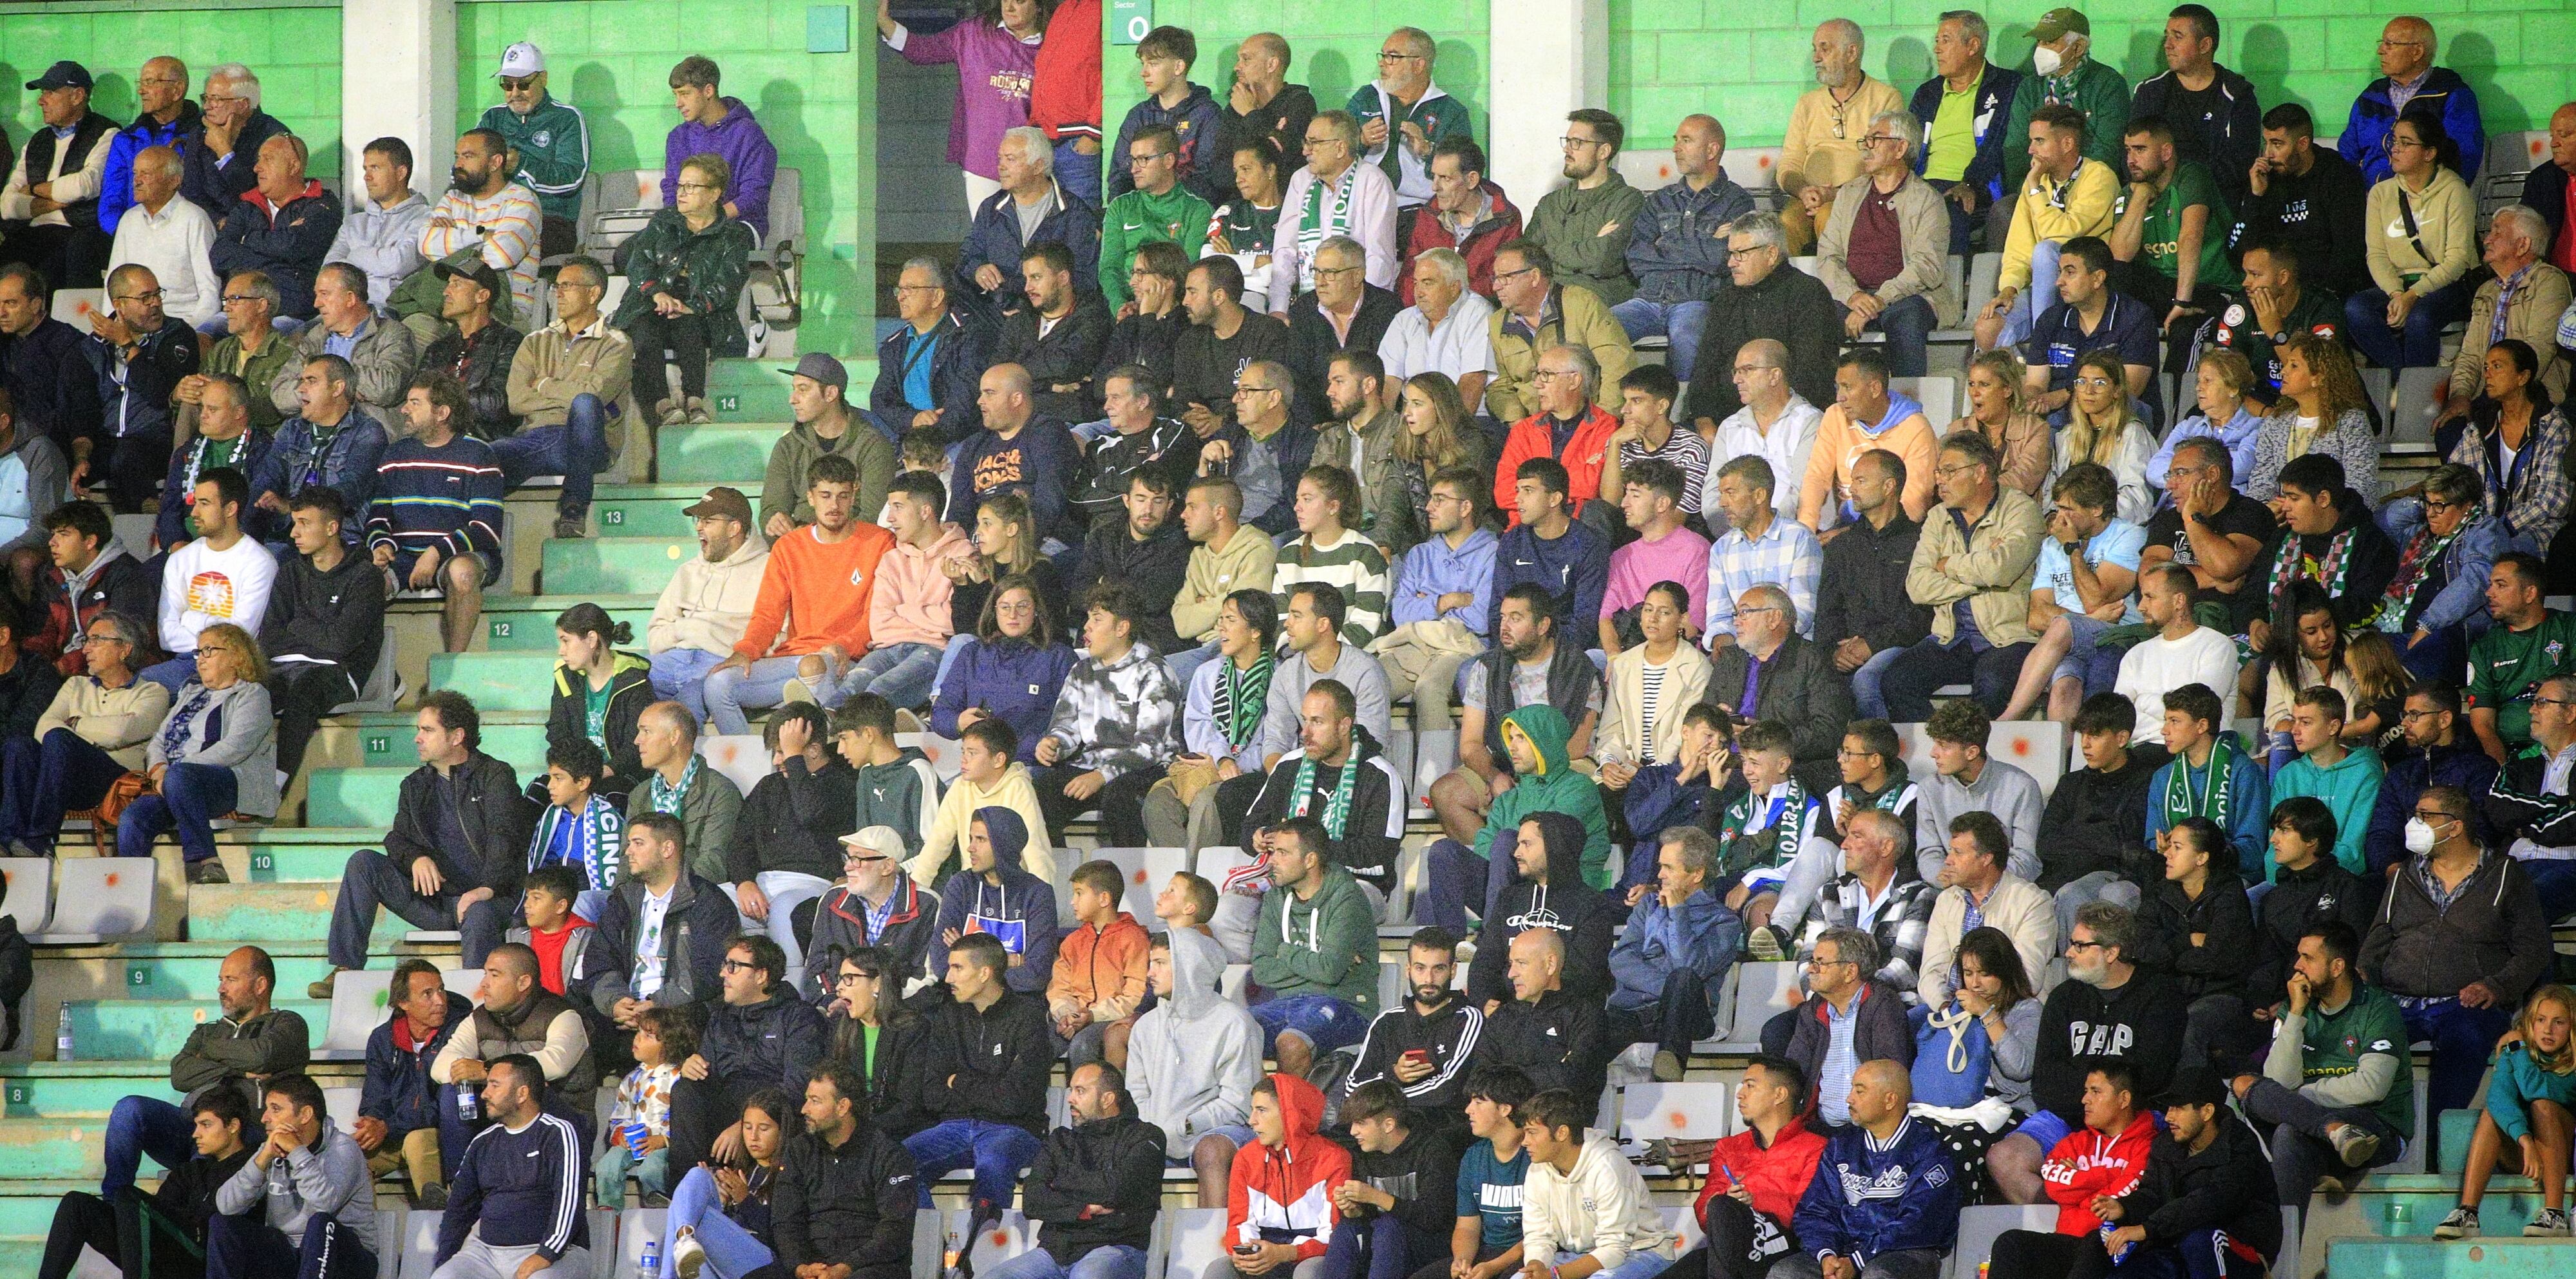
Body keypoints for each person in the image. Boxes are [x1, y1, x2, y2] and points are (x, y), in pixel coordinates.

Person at [308, 693, 530, 997]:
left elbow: (505, 839)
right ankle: (345, 970)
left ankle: (476, 1003)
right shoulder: (415, 785)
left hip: (490, 900)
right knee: (363, 863)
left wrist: (485, 889)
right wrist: (416, 858)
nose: (417, 739)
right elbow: (397, 839)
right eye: (419, 730)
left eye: (427, 730)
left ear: (456, 736)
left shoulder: (495, 776)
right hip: (436, 902)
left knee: (479, 913)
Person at [1986, 903, 2187, 1204]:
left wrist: (2090, 1089)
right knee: (2004, 1158)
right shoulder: (2064, 997)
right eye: (2071, 944)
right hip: (2067, 1118)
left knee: (2147, 1167)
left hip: (2132, 1120)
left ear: (2112, 952)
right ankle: (2065, 1226)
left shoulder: (2159, 994)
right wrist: (2099, 1092)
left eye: (2080, 946)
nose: (2069, 953)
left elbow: (2151, 1077)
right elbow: (2046, 1082)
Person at [2228, 922, 2412, 1209]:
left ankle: (2335, 1133)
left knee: (2282, 1118)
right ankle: (2333, 1133)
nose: (2297, 966)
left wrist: (2297, 1099)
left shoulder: (2378, 1008)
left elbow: (2372, 1086)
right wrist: (2297, 1014)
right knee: (2254, 1095)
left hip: (2376, 1129)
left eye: (2308, 958)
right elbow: (2279, 1081)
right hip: (2320, 1134)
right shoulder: (2297, 1006)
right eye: (2299, 956)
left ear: (2337, 966)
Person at [102, 946, 308, 1201]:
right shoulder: (208, 1031)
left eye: (231, 980)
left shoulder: (288, 1025)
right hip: (191, 1127)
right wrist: (241, 1071)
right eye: (221, 981)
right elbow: (180, 1074)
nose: (221, 989)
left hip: (247, 1134)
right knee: (129, 1110)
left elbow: (261, 1056)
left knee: (213, 1139)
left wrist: (208, 1053)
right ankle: (115, 1206)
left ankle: (191, 1222)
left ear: (260, 985)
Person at [708, 455, 894, 733]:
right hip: (794, 659)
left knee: (814, 666)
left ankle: (826, 759)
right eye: (826, 496)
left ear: (855, 495)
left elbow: (877, 613)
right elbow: (768, 615)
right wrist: (745, 651)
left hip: (844, 658)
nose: (834, 506)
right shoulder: (789, 547)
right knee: (717, 685)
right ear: (810, 497)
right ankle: (756, 763)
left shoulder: (879, 542)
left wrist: (846, 645)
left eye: (843, 496)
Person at [1878, 432, 2044, 719]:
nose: (1940, 480)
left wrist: (1948, 565)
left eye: (1950, 471)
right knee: (1897, 680)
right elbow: (1917, 586)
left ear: (1980, 472)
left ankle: (1972, 754)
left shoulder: (2021, 509)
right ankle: (1942, 747)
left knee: (1992, 685)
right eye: (1939, 472)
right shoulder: (1937, 516)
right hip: (1950, 636)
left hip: (2006, 636)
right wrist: (1978, 583)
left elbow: (1999, 569)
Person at [905, 929, 1054, 1215]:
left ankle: (981, 1250)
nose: (948, 978)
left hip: (1014, 1130)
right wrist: (989, 1091)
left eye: (957, 968)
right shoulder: (949, 1016)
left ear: (985, 973)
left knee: (993, 1163)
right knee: (898, 1161)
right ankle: (938, 1243)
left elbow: (1017, 1099)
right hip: (954, 1126)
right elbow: (933, 1093)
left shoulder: (1028, 1017)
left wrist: (959, 1081)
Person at [38, 1086, 252, 1279]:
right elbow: (160, 1213)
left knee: (127, 1196)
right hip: (172, 1254)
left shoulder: (254, 1168)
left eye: (206, 1125)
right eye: (196, 1125)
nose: (196, 1134)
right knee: (77, 1204)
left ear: (233, 1126)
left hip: (208, 1260)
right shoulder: (192, 1170)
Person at [117, 621, 274, 880]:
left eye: (209, 651)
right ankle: (130, 896)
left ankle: (205, 861)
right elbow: (159, 740)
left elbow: (234, 749)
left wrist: (178, 771)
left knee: (182, 778)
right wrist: (159, 768)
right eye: (198, 652)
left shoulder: (253, 695)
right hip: (175, 782)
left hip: (226, 781)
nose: (200, 660)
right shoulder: (190, 693)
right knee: (134, 818)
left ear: (236, 656)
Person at [0, 607, 161, 855]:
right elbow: (43, 727)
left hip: (109, 778)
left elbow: (121, 732)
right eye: (87, 640)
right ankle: (8, 839)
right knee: (19, 746)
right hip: (62, 776)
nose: (85, 649)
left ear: (125, 649)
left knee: (60, 738)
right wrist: (88, 734)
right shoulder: (76, 684)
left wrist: (75, 724)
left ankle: (42, 840)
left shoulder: (152, 692)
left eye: (96, 640)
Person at [985, 1060, 1166, 1279]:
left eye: (1080, 1091)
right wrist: (1084, 1209)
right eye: (1071, 1090)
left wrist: (1059, 1182)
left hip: (1115, 1249)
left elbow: (1118, 1189)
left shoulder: (1146, 1137)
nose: (1071, 1099)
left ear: (1107, 1099)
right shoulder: (1059, 1139)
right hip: (1054, 1253)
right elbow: (1033, 1200)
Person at [1999, 460, 2148, 726]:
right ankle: (2063, 762)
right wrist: (2092, 617)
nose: (2059, 518)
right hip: (2073, 639)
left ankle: (2008, 719)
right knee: (2063, 689)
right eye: (2057, 508)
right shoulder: (2050, 545)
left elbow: (2096, 599)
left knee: (2062, 625)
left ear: (2097, 509)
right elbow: (2036, 616)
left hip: (2118, 633)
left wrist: (2072, 547)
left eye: (2068, 509)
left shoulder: (2129, 536)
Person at [1031, 583, 1183, 843]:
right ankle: (1057, 876)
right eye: (1088, 618)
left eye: (1097, 620)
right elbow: (1066, 729)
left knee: (1121, 798)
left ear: (1122, 628)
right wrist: (1054, 745)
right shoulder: (1082, 671)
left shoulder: (1154, 671)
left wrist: (1101, 776)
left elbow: (1149, 748)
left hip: (1145, 769)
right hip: (1092, 765)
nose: (1087, 627)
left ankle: (1128, 878)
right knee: (1040, 793)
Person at [667, 934, 826, 1179]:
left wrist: (745, 1126)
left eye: (733, 967)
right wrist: (691, 1068)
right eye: (724, 965)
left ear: (761, 975)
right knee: (685, 1090)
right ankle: (689, 1185)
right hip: (725, 1116)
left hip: (773, 1118)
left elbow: (798, 1086)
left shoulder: (799, 1018)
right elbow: (709, 1079)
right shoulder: (721, 1019)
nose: (723, 974)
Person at [614, 152, 755, 424]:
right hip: (651, 302)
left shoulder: (733, 235)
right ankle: (663, 404)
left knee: (687, 327)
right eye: (680, 186)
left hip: (699, 308)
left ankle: (694, 400)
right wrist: (657, 292)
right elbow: (638, 263)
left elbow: (729, 283)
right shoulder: (663, 222)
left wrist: (693, 306)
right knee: (644, 333)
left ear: (714, 194)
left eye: (691, 187)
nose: (682, 193)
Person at [1777, 1062, 1955, 1278]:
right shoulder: (1840, 1146)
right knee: (1786, 1272)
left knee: (1878, 1274)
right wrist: (1827, 1255)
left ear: (1890, 1100)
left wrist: (1858, 1260)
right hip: (1843, 1250)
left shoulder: (1929, 1149)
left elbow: (1919, 1222)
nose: (1849, 1099)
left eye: (1860, 1091)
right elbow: (1815, 1210)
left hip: (1906, 1252)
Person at [1984, 1065, 2163, 1279]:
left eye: (2096, 1092)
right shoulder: (2077, 1141)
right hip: (2069, 1239)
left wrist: (2077, 1188)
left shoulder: (2149, 1146)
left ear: (2124, 1099)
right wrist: (2108, 1175)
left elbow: (2120, 1201)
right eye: (2086, 1091)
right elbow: (2053, 1186)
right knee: (2011, 1243)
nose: (2085, 1100)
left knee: (2093, 1246)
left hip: (2115, 1248)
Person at [588, 812, 744, 1054]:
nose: (628, 852)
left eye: (638, 843)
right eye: (629, 844)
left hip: (678, 1012)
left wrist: (656, 1005)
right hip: (625, 1010)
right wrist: (616, 1002)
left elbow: (711, 971)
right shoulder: (625, 898)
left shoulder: (708, 902)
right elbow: (599, 957)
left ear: (667, 849)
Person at [498, 257, 632, 537]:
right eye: (556, 286)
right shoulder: (535, 340)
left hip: (589, 441)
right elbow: (516, 400)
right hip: (535, 435)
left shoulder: (616, 343)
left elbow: (594, 394)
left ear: (593, 293)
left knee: (584, 405)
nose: (557, 293)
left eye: (567, 286)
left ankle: (574, 508)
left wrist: (544, 384)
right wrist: (569, 392)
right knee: (481, 460)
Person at [1130, 927, 1264, 1208]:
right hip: (1159, 1131)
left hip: (1218, 1130)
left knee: (1211, 1152)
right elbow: (1136, 1094)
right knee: (1129, 1151)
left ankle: (1212, 1245)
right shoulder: (1145, 1027)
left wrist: (1188, 1125)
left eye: (1161, 963)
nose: (1150, 973)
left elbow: (1238, 1103)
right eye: (1150, 964)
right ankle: (1136, 1246)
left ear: (1189, 966)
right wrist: (1155, 1130)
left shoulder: (1235, 1023)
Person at [1240, 681, 1406, 904]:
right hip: (1284, 880)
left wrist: (1308, 851)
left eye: (1317, 722)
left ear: (1344, 726)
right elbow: (1250, 827)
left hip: (1355, 884)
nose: (1305, 733)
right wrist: (1259, 837)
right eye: (1305, 720)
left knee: (1326, 901)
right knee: (1231, 909)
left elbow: (1378, 855)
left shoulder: (1380, 777)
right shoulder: (1289, 765)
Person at [1819, 111, 1956, 378]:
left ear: (1900, 148)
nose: (1866, 148)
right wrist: (1855, 296)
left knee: (1907, 318)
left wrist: (1879, 299)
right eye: (1865, 140)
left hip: (1905, 297)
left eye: (1876, 139)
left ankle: (1907, 409)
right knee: (1815, 318)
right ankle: (1825, 410)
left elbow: (1926, 267)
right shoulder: (1849, 194)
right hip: (1854, 295)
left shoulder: (1927, 200)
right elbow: (1828, 255)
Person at [373, 373, 504, 652]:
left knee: (463, 573)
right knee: (364, 581)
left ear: (442, 413)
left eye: (415, 403)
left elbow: (487, 529)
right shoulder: (393, 455)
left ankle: (453, 668)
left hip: (458, 556)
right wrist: (381, 544)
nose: (404, 409)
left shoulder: (479, 455)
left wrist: (436, 552)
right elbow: (378, 517)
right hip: (404, 556)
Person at [426, 1054, 589, 1279]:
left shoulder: (558, 1133)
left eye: (494, 1085)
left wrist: (546, 1254)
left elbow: (570, 1200)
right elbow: (458, 1210)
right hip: (485, 1254)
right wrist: (445, 1261)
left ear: (522, 1093)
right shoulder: (482, 1142)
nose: (484, 1094)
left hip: (557, 1252)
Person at [261, 487, 384, 784]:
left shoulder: (365, 577)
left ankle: (275, 786)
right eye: (294, 523)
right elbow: (269, 639)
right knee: (252, 693)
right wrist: (321, 633)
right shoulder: (290, 573)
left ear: (332, 528)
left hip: (340, 673)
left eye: (304, 523)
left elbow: (341, 644)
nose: (294, 534)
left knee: (305, 691)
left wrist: (297, 625)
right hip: (285, 666)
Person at [726, 703, 855, 982]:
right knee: (707, 901)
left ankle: (792, 998)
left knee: (785, 909)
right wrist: (744, 882)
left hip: (814, 884)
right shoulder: (768, 787)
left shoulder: (842, 784)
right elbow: (740, 843)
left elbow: (811, 813)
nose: (777, 760)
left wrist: (795, 759)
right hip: (760, 885)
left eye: (784, 751)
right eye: (777, 751)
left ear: (814, 749)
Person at [2437, 982, 2576, 1240]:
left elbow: (2537, 1090)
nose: (2548, 1029)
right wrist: (2525, 1141)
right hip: (2525, 1153)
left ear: (2572, 1028)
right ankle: (2468, 1212)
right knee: (2492, 1113)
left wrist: (2519, 1050)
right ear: (2530, 1023)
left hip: (2560, 1152)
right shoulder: (2517, 1051)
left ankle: (2555, 1213)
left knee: (2542, 1106)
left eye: (2559, 1022)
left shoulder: (2569, 1063)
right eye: (2541, 1020)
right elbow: (2499, 1098)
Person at [1244, 817, 1380, 1075]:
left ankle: (1288, 1115)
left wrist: (1283, 950)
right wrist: (1319, 963)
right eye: (1273, 852)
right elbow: (1261, 969)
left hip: (1347, 1006)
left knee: (1292, 1043)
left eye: (1283, 853)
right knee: (1235, 1030)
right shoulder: (1275, 898)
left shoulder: (1347, 898)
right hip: (1285, 1003)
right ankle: (1257, 1109)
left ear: (1310, 860)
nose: (1272, 860)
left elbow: (1329, 971)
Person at [1603, 826, 1741, 1080]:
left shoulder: (1723, 922)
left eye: (1668, 868)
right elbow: (1621, 960)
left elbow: (1690, 966)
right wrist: (1667, 989)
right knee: (1588, 1039)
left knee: (1685, 978)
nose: (1659, 875)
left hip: (1687, 1018)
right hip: (1633, 1013)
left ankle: (1670, 1063)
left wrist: (1678, 912)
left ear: (1697, 873)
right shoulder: (1647, 906)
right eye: (1660, 866)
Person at [207, 1073, 377, 1279]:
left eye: (275, 1109)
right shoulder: (270, 1148)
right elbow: (226, 1206)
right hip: (289, 1253)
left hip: (348, 1257)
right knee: (222, 1225)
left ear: (305, 1115)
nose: (264, 1118)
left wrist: (297, 1153)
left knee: (320, 1224)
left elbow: (325, 1204)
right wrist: (262, 1161)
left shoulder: (343, 1148)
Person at [1682, 214, 1839, 437]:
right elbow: (1705, 368)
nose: (1731, 263)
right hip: (1726, 423)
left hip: (1793, 423)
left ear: (1771, 254)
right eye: (1730, 253)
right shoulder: (1726, 300)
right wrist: (1704, 421)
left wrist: (1766, 423)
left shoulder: (1809, 294)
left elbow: (1813, 372)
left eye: (1741, 254)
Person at [1982, 106, 2119, 352]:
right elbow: (2018, 246)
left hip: (2086, 287)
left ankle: (2042, 346)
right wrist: (2009, 289)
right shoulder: (2036, 182)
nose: (2031, 150)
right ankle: (2019, 381)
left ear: (2067, 143)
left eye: (2040, 141)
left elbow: (2062, 236)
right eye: (2031, 141)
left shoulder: (2099, 176)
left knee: (2046, 250)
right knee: (1987, 327)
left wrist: (2036, 190)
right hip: (2043, 290)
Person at [2349, 111, 2477, 373]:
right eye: (2394, 141)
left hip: (2446, 283)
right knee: (2356, 309)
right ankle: (2403, 380)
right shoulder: (2380, 193)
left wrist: (2413, 295)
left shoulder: (2454, 190)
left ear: (2429, 153)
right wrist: (2397, 293)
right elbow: (2376, 254)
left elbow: (2457, 260)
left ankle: (2413, 394)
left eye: (2405, 143)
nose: (2395, 149)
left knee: (2421, 317)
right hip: (2398, 284)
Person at [1369, 468, 1492, 734]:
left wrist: (1423, 605)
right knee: (1368, 686)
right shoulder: (1419, 554)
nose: (1428, 507)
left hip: (1460, 646)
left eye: (1440, 499)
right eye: (1430, 498)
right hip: (1414, 641)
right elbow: (1400, 614)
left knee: (1429, 690)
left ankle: (1435, 774)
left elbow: (1480, 619)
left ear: (1466, 507)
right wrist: (1447, 601)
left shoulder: (1492, 552)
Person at [2107, 115, 2240, 361]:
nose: (2130, 160)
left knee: (2184, 333)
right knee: (2114, 273)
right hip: (2163, 287)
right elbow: (2120, 258)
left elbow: (2191, 236)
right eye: (2128, 151)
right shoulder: (2131, 192)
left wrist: (2182, 301)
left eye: (2140, 150)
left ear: (2166, 152)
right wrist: (2140, 198)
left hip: (2205, 288)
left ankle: (2181, 399)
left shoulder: (2192, 176)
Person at [2134, 817, 2260, 1071]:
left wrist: (2167, 952)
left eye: (2177, 847)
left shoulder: (2229, 893)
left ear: (2201, 858)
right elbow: (2142, 949)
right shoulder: (2160, 892)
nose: (2166, 853)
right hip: (2169, 990)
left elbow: (2220, 961)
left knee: (2189, 1025)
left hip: (2220, 993)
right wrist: (2189, 940)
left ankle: (2189, 1103)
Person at [770, 1062, 918, 1279]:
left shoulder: (888, 1154)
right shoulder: (799, 1150)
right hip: (811, 1269)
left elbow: (895, 1230)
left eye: (815, 1101)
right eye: (806, 1099)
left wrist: (844, 1268)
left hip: (870, 1269)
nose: (804, 1109)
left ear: (843, 1107)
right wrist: (801, 1267)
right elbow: (786, 1220)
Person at [1516, 1085, 1678, 1279]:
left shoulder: (1608, 1166)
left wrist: (1554, 1275)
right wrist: (1536, 1266)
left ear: (1562, 1133)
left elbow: (1614, 1248)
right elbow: (1538, 1236)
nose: (1525, 1141)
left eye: (1532, 1133)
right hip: (1580, 1254)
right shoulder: (1537, 1169)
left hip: (1643, 1251)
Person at [643, 487, 770, 729]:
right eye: (698, 520)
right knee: (621, 678)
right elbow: (656, 637)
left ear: (734, 528)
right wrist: (686, 630)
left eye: (708, 521)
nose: (698, 527)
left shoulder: (768, 569)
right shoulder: (688, 571)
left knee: (684, 709)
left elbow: (776, 635)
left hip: (720, 663)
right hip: (674, 658)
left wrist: (711, 632)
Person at [86, 263, 203, 513]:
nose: (156, 303)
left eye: (157, 294)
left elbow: (161, 393)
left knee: (127, 454)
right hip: (106, 441)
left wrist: (127, 345)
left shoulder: (177, 335)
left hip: (154, 441)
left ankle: (147, 505)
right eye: (145, 298)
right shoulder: (92, 345)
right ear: (120, 305)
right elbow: (80, 402)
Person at [1482, 241, 1632, 432]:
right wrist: (1519, 425)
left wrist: (1600, 425)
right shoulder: (1497, 323)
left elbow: (1617, 365)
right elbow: (1499, 386)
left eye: (1505, 278)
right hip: (1531, 427)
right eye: (1495, 278)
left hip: (1587, 422)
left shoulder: (1581, 304)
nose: (1496, 287)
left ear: (1534, 277)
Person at [355, 960, 469, 1209]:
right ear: (403, 1003)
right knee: (348, 1156)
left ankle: (442, 1221)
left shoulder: (459, 1032)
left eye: (441, 990)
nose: (440, 1000)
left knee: (417, 1142)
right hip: (394, 1132)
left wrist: (388, 1126)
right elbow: (375, 1092)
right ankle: (366, 1239)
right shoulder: (382, 1038)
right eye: (428, 994)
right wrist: (371, 1122)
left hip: (437, 1133)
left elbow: (440, 1107)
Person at [960, 126, 1104, 322]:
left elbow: (1083, 278)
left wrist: (1033, 309)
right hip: (995, 320)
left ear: (1038, 166)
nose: (1001, 166)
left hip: (1052, 321)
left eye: (1011, 159)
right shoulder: (990, 209)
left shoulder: (1075, 213)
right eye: (1000, 158)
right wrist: (978, 269)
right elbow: (968, 257)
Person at [1320, 1079, 1459, 1279]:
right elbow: (1367, 1217)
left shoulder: (1432, 1150)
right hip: (1383, 1246)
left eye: (1361, 1123)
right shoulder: (1363, 1153)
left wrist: (1376, 1197)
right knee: (1347, 1230)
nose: (1352, 1132)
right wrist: (1354, 1210)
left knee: (1388, 1226)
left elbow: (1434, 1218)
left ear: (1388, 1125)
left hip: (1429, 1247)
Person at [1918, 813, 2057, 1012]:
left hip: (2010, 1013)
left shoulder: (2032, 902)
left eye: (1958, 853)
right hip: (1952, 1009)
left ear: (1986, 858)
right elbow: (1931, 972)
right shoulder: (1946, 900)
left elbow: (2027, 980)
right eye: (1950, 852)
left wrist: (1981, 1011)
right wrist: (1948, 1008)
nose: (1948, 861)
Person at [2444, 339, 2571, 556]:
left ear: (2523, 377)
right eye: (2486, 367)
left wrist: (2500, 528)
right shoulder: (2481, 426)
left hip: (2535, 531)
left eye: (2497, 366)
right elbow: (2455, 477)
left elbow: (2553, 500)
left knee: (2487, 552)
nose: (2488, 374)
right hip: (2482, 531)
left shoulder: (2552, 426)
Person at [1270, 111, 1401, 318]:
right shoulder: (1301, 180)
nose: (1306, 151)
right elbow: (1285, 250)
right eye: (1306, 142)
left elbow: (1379, 256)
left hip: (1358, 307)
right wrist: (1278, 307)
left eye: (1314, 143)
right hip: (1309, 304)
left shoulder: (1372, 181)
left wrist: (1365, 312)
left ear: (1340, 148)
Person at [2130, 4, 2262, 207]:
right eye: (2167, 36)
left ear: (2204, 46)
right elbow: (2132, 154)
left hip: (2217, 205)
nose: (2168, 45)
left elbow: (2239, 166)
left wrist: (2188, 189)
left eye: (2178, 37)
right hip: (2158, 200)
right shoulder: (2151, 92)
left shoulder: (2238, 96)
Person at [0, 61, 117, 289]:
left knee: (44, 279)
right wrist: (54, 202)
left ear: (78, 96)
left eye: (50, 92)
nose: (41, 100)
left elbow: (85, 185)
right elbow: (7, 205)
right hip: (32, 233)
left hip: (76, 235)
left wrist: (34, 190)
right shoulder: (38, 140)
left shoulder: (107, 133)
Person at [1908, 698, 2045, 889]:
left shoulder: (2022, 787)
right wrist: (1950, 881)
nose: (1933, 753)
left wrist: (1977, 883)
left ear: (1971, 752)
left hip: (2006, 892)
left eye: (1944, 746)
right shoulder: (1929, 788)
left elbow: (2025, 860)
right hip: (1946, 892)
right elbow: (1929, 853)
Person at [2141, 682, 2269, 882]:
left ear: (2202, 725)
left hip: (2230, 879)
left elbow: (2253, 849)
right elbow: (2152, 841)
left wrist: (2203, 858)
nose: (2165, 730)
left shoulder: (2243, 771)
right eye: (2166, 721)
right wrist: (2164, 851)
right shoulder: (2162, 778)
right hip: (2176, 877)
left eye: (2175, 721)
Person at [206, 135, 341, 323]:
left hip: (291, 314)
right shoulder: (248, 205)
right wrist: (276, 264)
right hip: (237, 311)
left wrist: (246, 239)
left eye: (268, 159)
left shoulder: (322, 205)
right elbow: (219, 255)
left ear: (294, 167)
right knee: (203, 335)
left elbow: (292, 246)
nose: (257, 168)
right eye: (259, 159)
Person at [656, 1088, 790, 1279]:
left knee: (685, 1210)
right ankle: (685, 1240)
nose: (754, 1137)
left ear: (781, 1131)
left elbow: (783, 1235)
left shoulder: (789, 1173)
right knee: (697, 1177)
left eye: (764, 1128)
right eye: (748, 1127)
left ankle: (670, 1270)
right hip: (726, 1262)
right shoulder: (740, 1170)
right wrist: (723, 1202)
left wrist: (745, 1200)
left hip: (765, 1264)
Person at [419, 127, 543, 323]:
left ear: (495, 162)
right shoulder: (453, 198)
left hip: (500, 312)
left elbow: (501, 255)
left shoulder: (522, 200)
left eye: (468, 156)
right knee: (412, 328)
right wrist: (481, 235)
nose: (458, 164)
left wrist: (452, 238)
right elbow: (426, 245)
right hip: (448, 305)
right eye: (457, 156)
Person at [2343, 16, 2485, 184]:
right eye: (2382, 43)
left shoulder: (2451, 95)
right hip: (2371, 201)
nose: (2380, 50)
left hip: (2428, 201)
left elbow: (2462, 159)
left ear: (2417, 52)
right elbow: (2347, 156)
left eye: (2390, 44)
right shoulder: (2370, 97)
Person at [769, 352, 896, 537]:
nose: (792, 399)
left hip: (854, 548)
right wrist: (775, 521)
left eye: (803, 389)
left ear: (830, 394)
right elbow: (772, 508)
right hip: (799, 544)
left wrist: (822, 541)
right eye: (794, 389)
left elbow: (873, 516)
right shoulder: (787, 446)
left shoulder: (872, 444)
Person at [1596, 578, 1710, 783]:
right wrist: (1609, 763)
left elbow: (1682, 736)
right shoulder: (1624, 663)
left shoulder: (1697, 667)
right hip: (1628, 766)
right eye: (1648, 610)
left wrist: (1648, 774)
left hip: (1673, 773)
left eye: (1664, 612)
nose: (1653, 619)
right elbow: (1612, 727)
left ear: (1682, 619)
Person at [2113, 564, 2240, 742]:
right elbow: (2119, 720)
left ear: (2179, 601)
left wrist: (2143, 703)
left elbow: (2197, 713)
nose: (2141, 607)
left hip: (2197, 757)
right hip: (2142, 753)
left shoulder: (2217, 646)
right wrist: (2172, 718)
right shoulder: (2136, 654)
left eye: (2150, 597)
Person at [2468, 554, 2576, 764]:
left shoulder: (2569, 628)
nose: (2489, 593)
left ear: (2529, 593)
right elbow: (2483, 726)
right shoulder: (2484, 647)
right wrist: (2502, 772)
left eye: (2501, 585)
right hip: (2512, 755)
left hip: (2566, 750)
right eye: (2491, 585)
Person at [869, 260, 989, 446]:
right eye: (899, 290)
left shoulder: (969, 335)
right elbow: (881, 400)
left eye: (910, 289)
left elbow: (966, 401)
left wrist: (931, 432)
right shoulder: (893, 346)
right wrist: (913, 419)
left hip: (958, 443)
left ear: (937, 296)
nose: (901, 297)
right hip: (911, 441)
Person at [1046, 860, 1151, 1067]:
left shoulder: (1133, 938)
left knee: (1083, 1045)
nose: (1072, 902)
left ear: (1104, 899)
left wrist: (1093, 1015)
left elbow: (1135, 995)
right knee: (1034, 1045)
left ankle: (1090, 1098)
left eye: (1079, 893)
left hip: (1109, 1019)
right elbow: (1059, 988)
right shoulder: (1073, 942)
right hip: (1076, 1017)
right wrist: (1068, 1015)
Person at [2488, 673, 2576, 918]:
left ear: (2570, 713)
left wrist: (2525, 827)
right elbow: (2498, 808)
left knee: (2523, 903)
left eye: (2542, 702)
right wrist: (2559, 805)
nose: (2531, 710)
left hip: (2569, 867)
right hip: (2516, 863)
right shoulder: (2521, 760)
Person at [1100, 125, 1215, 311]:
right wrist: (1120, 306)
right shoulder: (1120, 207)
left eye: (1143, 159)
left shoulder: (1198, 210)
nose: (1134, 169)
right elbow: (1109, 268)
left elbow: (1189, 271)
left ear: (1169, 160)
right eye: (1133, 160)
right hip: (1126, 307)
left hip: (1173, 310)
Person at [106, 146, 222, 330]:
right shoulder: (129, 220)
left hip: (181, 324)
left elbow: (210, 294)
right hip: (134, 326)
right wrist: (112, 327)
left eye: (146, 174)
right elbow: (113, 286)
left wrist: (187, 332)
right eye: (136, 173)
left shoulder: (194, 219)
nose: (136, 181)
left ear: (174, 181)